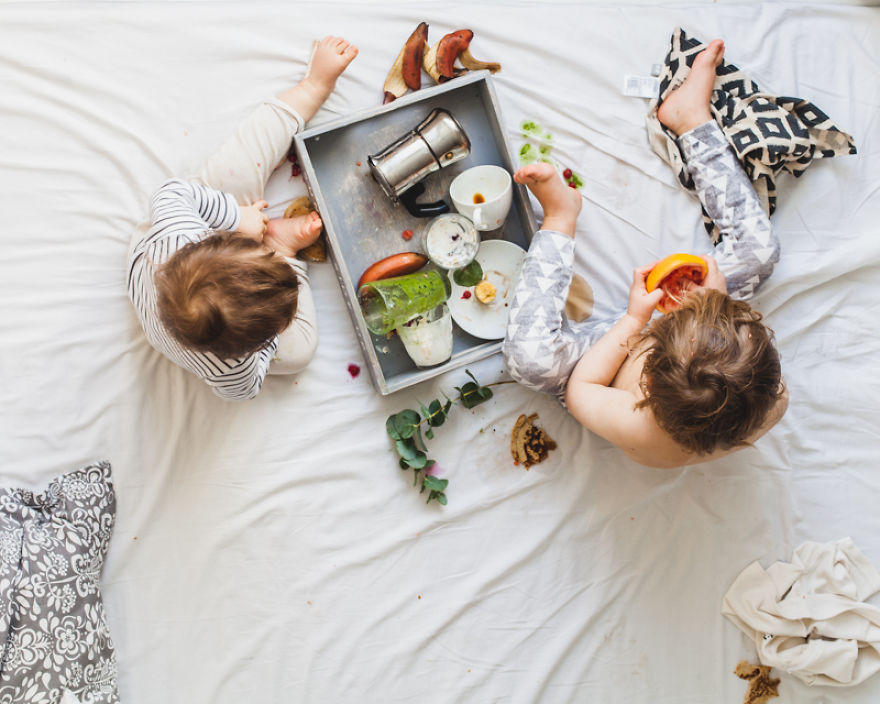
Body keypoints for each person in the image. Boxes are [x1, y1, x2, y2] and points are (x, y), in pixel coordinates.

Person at [502, 39, 788, 468]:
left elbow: (582, 389)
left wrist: (635, 321)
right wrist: (715, 297)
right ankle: (690, 120)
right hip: (691, 338)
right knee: (759, 253)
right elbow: (731, 348)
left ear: (649, 383)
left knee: (529, 362)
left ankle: (561, 216)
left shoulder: (642, 427)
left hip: (601, 365)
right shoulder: (769, 398)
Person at [127, 36, 358, 400]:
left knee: (234, 171)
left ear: (213, 244)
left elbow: (171, 192)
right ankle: (282, 249)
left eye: (260, 252)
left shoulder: (175, 236)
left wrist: (237, 218)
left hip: (186, 241)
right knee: (299, 352)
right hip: (212, 297)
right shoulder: (236, 369)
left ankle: (313, 86)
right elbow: (245, 391)